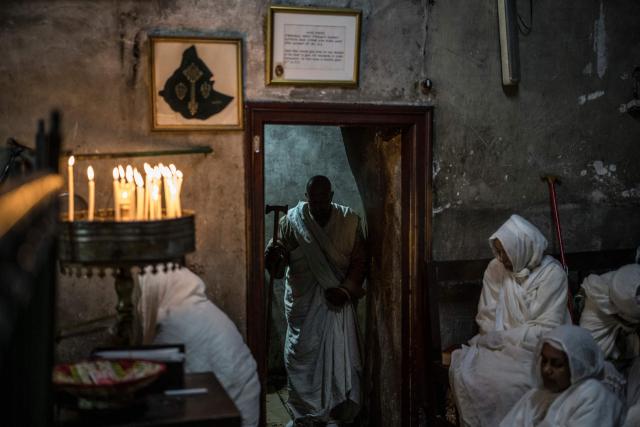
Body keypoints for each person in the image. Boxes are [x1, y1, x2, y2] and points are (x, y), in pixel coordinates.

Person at [449, 214, 571, 427]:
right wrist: (500, 340)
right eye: (498, 251)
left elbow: (548, 327)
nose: (501, 258)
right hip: (497, 345)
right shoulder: (495, 269)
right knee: (479, 377)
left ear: (523, 247)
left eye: (506, 252)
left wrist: (507, 337)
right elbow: (486, 316)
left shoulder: (552, 275)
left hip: (542, 348)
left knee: (525, 382)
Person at [265, 175, 367, 426]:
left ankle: (334, 412)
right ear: (306, 197)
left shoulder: (349, 222)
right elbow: (277, 269)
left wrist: (344, 291)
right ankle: (304, 412)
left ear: (331, 197)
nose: (319, 205)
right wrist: (274, 257)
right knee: (300, 356)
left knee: (336, 363)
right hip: (304, 308)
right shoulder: (292, 222)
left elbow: (360, 261)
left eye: (324, 200)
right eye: (314, 200)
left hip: (335, 307)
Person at [137, 265, 260, 427]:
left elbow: (150, 379)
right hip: (243, 400)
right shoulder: (198, 307)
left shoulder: (176, 322)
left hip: (235, 410)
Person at [499, 324, 623, 427]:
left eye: (557, 364)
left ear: (577, 366)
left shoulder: (591, 395)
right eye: (544, 361)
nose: (546, 369)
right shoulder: (537, 395)